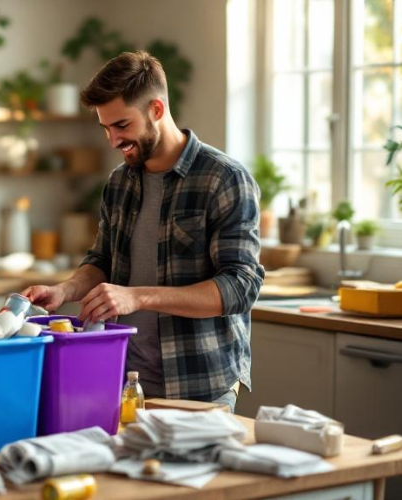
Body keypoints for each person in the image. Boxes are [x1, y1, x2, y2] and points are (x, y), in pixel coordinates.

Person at [24, 51, 264, 410]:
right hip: (124, 381)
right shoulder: (119, 182)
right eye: (106, 128)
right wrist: (64, 290)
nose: (113, 140)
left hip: (200, 385)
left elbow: (240, 288)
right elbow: (101, 260)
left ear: (156, 109)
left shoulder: (223, 178)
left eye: (122, 125)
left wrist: (137, 297)